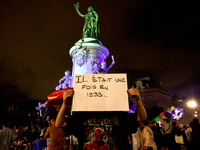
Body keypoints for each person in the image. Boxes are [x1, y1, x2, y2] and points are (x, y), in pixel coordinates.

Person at [55, 88, 147, 150]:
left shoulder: (118, 114)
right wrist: (64, 104)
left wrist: (138, 100)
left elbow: (142, 117)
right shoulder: (82, 115)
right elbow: (59, 124)